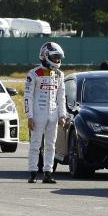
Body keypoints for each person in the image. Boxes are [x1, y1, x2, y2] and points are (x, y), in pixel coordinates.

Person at [24, 42, 66, 184]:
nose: (57, 60)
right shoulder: (34, 73)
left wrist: (62, 115)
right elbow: (27, 96)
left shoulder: (59, 74)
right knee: (35, 144)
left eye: (58, 57)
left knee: (51, 144)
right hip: (37, 114)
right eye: (54, 57)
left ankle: (48, 172)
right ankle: (33, 172)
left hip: (53, 114)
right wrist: (29, 116)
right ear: (45, 56)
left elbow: (61, 97)